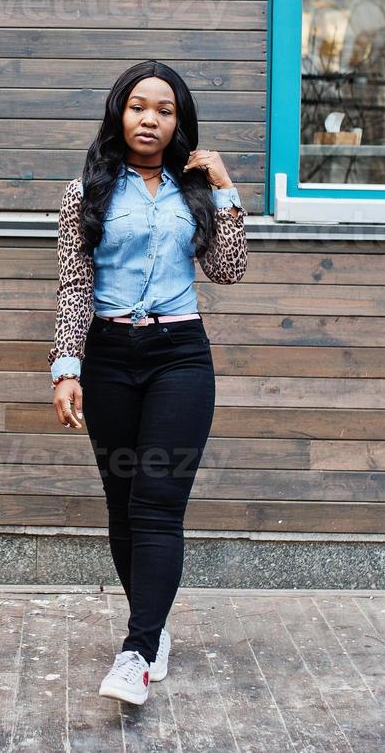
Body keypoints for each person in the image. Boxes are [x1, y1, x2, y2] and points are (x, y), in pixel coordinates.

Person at [47, 59, 248, 706]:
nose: (150, 119)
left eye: (164, 110)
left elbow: (228, 270)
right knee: (122, 503)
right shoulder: (85, 191)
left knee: (156, 503)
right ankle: (151, 627)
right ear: (119, 112)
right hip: (107, 356)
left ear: (178, 122)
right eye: (139, 106)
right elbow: (75, 288)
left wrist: (223, 186)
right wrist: (66, 367)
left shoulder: (193, 189)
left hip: (178, 357)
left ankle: (134, 653)